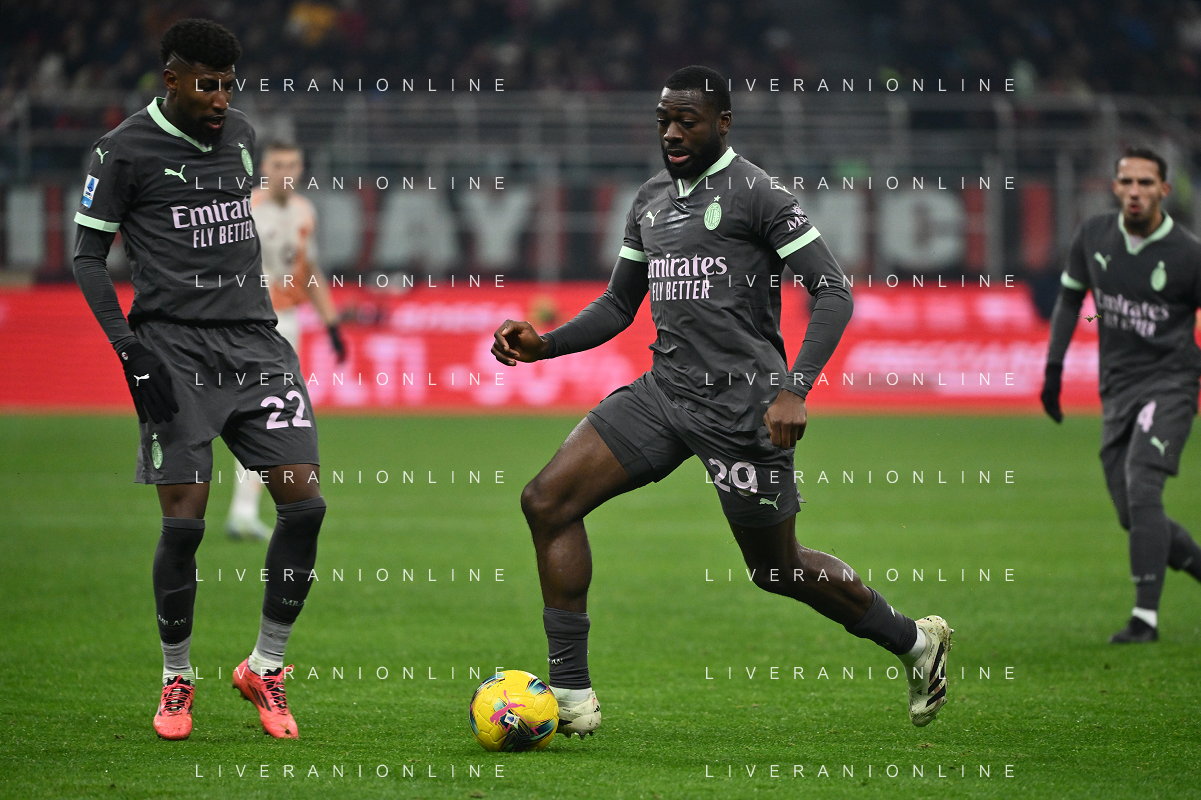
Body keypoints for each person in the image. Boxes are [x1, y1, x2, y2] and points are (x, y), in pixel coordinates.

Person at [492, 66, 952, 737]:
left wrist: (794, 389)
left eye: (688, 121)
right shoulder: (650, 200)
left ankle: (914, 641)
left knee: (776, 569)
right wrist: (546, 344)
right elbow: (620, 304)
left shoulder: (758, 194)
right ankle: (568, 694)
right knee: (547, 501)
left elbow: (832, 291)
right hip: (664, 393)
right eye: (663, 122)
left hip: (743, 409)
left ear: (723, 124)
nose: (672, 134)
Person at [72, 18, 326, 740]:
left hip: (256, 343)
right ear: (172, 79)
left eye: (228, 85)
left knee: (305, 507)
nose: (221, 99)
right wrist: (131, 352)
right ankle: (176, 678)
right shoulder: (121, 152)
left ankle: (265, 667)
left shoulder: (241, 135)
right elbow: (88, 258)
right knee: (184, 527)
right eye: (207, 85)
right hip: (172, 351)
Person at [1041, 145, 1201, 643]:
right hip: (1117, 387)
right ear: (1114, 187)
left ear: (1164, 191)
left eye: (1145, 183)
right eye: (1127, 182)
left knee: (1143, 484)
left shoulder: (1189, 254)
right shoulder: (1093, 235)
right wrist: (1053, 369)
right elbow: (1070, 301)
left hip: (1172, 383)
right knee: (1132, 513)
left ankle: (1144, 619)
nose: (1135, 191)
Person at [226, 141, 345, 541]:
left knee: (266, 416)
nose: (286, 172)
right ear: (264, 167)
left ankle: (243, 511)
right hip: (248, 323)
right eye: (278, 165)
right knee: (263, 415)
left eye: (293, 164)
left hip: (287, 322)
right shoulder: (245, 210)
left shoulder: (304, 211)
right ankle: (241, 511)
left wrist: (332, 324)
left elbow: (308, 269)